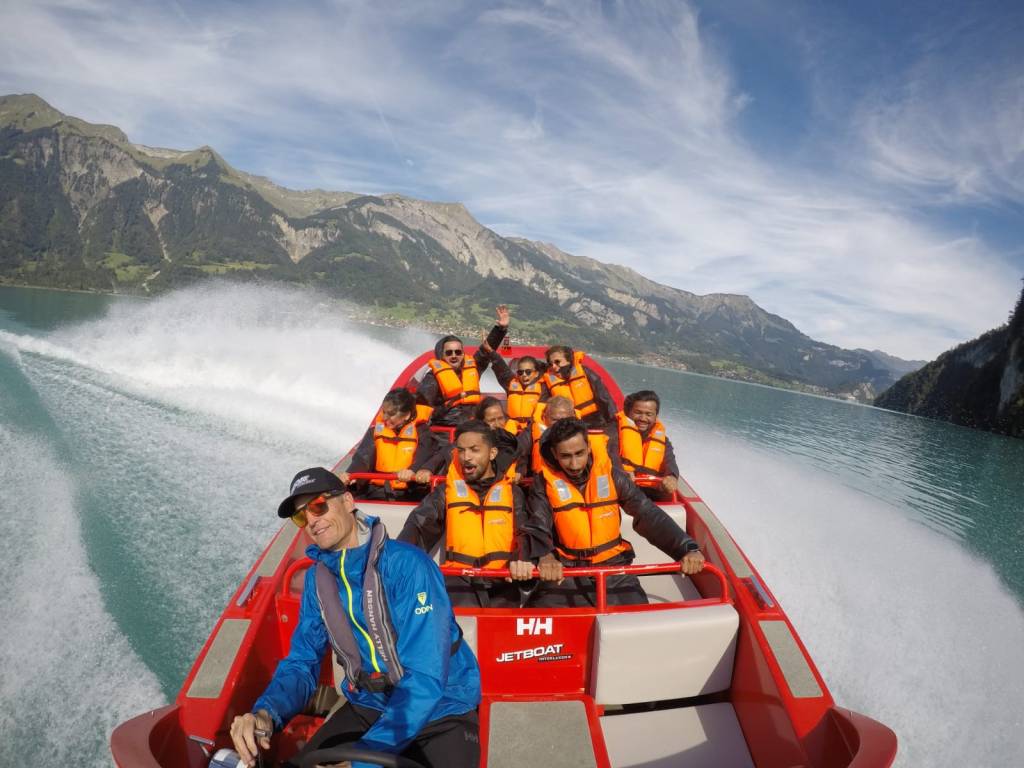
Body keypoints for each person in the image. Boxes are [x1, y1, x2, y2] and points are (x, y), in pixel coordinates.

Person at [229, 468, 481, 768]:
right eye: (300, 516)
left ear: (348, 501)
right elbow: (302, 662)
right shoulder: (317, 581)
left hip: (442, 710)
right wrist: (265, 713)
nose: (311, 520)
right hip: (368, 705)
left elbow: (425, 675)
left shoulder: (409, 567)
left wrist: (363, 762)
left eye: (318, 506)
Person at [527, 418, 704, 607]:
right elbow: (538, 524)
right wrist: (545, 556)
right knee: (537, 617)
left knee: (639, 618)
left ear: (588, 447)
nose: (574, 464)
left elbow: (647, 513)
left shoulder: (612, 475)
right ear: (554, 453)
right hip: (566, 570)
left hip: (614, 567)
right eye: (565, 456)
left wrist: (687, 548)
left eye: (579, 453)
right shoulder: (543, 483)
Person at [399, 421, 551, 607]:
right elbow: (419, 524)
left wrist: (523, 560)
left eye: (474, 450)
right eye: (461, 451)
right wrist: (398, 557)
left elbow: (525, 532)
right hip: (459, 581)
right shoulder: (445, 492)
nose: (466, 457)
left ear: (492, 453)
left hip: (504, 581)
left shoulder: (513, 492)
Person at [338, 388, 447, 501]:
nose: (385, 418)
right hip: (376, 490)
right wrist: (350, 474)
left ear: (407, 415)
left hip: (410, 492)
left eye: (391, 414)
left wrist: (412, 470)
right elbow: (363, 458)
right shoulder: (375, 431)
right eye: (384, 412)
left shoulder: (423, 433)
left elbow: (425, 456)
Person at [416, 306, 509, 426]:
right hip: (446, 429)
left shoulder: (472, 368)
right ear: (441, 355)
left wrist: (500, 329)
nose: (454, 356)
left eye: (458, 352)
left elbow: (485, 352)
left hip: (473, 425)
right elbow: (423, 408)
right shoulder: (432, 378)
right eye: (449, 353)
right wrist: (447, 406)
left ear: (463, 354)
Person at [616, 390, 681, 497]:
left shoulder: (664, 441)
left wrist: (672, 477)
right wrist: (620, 471)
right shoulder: (615, 432)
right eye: (638, 413)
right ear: (628, 413)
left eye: (649, 414)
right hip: (621, 489)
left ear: (656, 417)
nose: (643, 418)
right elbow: (608, 457)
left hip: (650, 493)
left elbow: (670, 462)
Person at [540, 345, 617, 428]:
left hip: (595, 421)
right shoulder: (548, 381)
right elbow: (543, 407)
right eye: (551, 364)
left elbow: (604, 397)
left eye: (557, 362)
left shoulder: (584, 372)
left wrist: (613, 420)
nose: (554, 366)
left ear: (569, 360)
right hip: (568, 427)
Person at [483, 351, 545, 427]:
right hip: (513, 427)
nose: (524, 375)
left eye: (528, 372)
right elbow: (502, 369)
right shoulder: (511, 383)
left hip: (531, 428)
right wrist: (491, 352)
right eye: (520, 372)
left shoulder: (543, 388)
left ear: (536, 374)